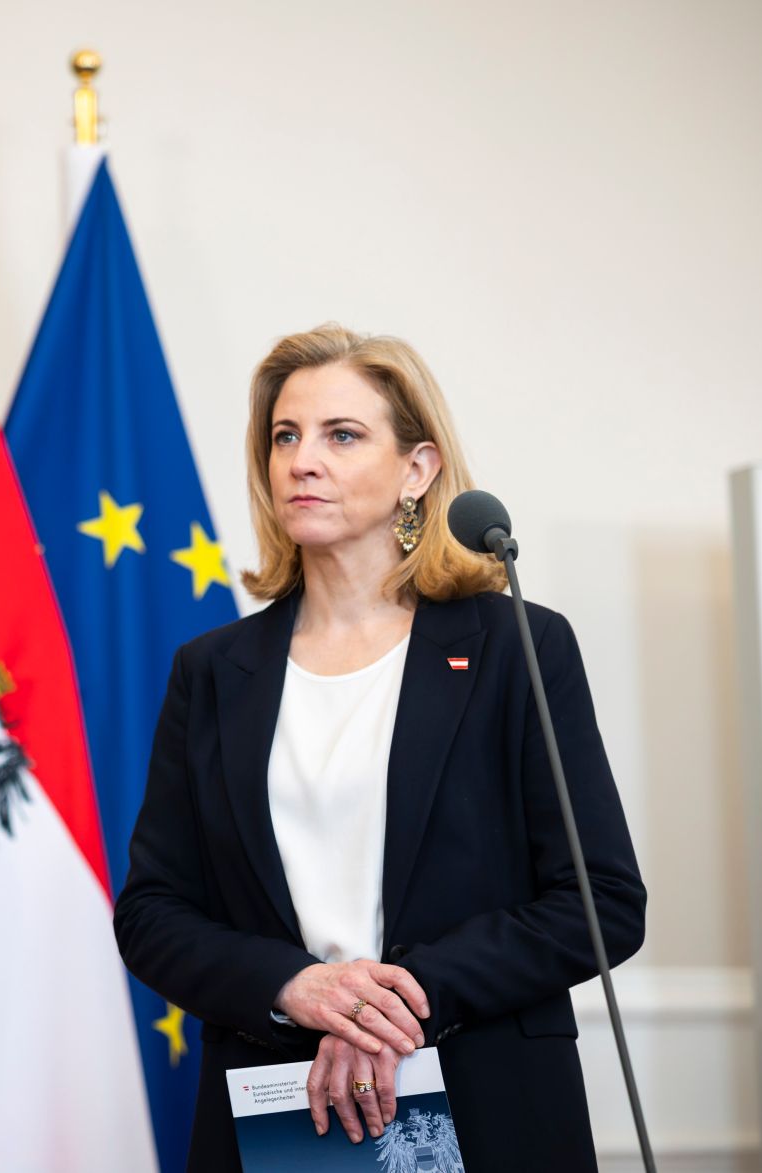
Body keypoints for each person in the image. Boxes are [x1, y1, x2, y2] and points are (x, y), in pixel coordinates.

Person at [113, 324, 645, 1171]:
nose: (301, 460)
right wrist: (296, 988)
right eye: (285, 436)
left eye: (341, 435)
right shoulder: (213, 671)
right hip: (278, 1106)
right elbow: (152, 913)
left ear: (418, 469)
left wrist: (403, 1000)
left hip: (487, 1097)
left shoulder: (517, 648)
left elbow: (601, 899)